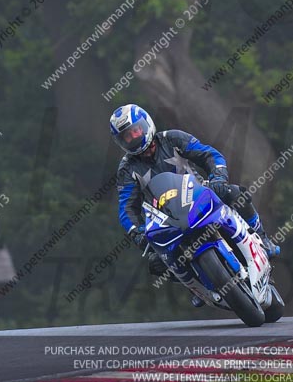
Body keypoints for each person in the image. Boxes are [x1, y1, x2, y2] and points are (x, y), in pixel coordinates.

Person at [111, 104, 279, 284]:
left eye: (135, 131)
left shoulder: (172, 138)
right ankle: (197, 286)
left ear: (146, 124)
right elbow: (127, 208)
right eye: (126, 136)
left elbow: (210, 155)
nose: (133, 138)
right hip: (166, 220)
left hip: (200, 195)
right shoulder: (127, 169)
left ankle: (263, 239)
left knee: (236, 193)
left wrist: (218, 179)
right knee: (156, 263)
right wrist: (137, 232)